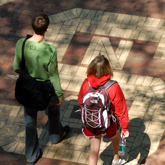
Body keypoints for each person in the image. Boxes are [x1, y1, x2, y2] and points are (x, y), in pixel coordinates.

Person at [13, 13, 69, 165]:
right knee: (53, 109)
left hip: (27, 90)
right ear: (47, 29)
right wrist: (60, 94)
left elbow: (16, 68)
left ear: (33, 26)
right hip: (45, 91)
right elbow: (54, 76)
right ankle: (55, 136)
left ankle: (31, 155)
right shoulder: (50, 50)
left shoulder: (21, 43)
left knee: (29, 120)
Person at [78, 55, 129, 165]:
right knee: (116, 136)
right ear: (108, 68)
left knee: (94, 150)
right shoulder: (113, 86)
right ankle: (116, 159)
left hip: (92, 122)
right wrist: (124, 127)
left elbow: (80, 101)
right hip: (109, 123)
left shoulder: (86, 83)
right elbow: (121, 109)